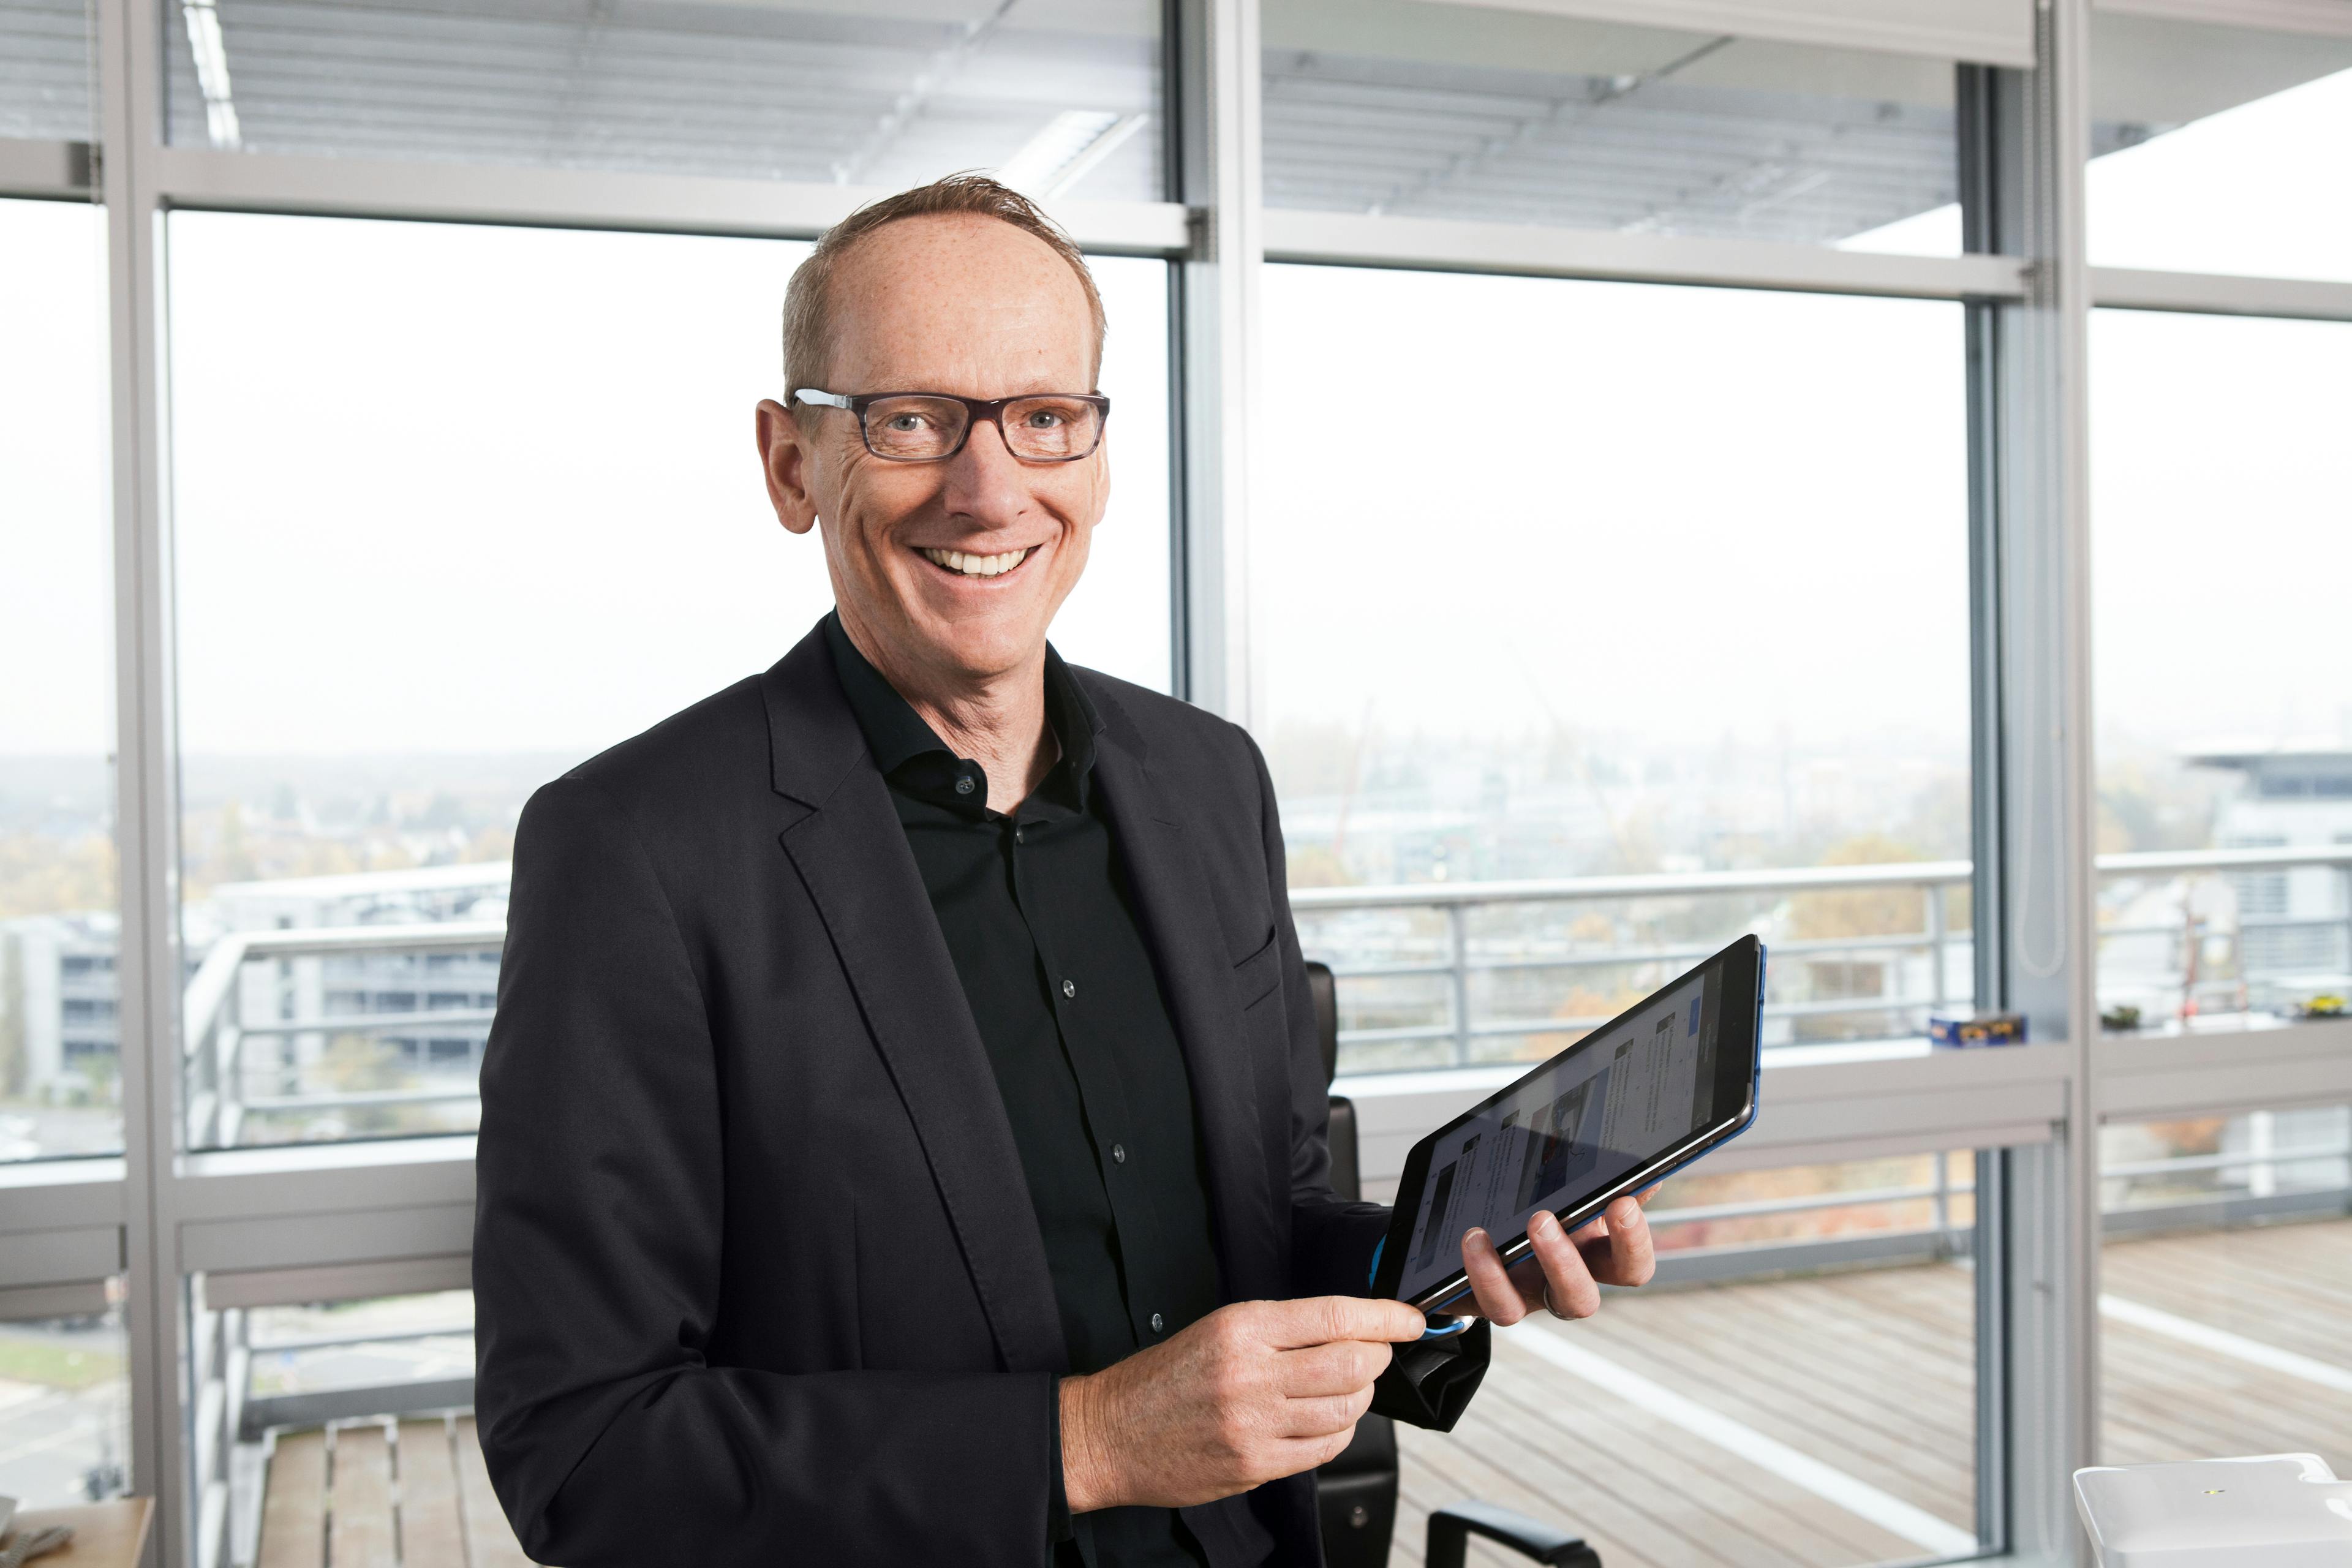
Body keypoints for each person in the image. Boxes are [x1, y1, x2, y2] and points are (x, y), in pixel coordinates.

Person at [472, 173, 1659, 1568]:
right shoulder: (635, 848)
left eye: (1043, 418)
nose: (991, 487)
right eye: (911, 419)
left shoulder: (1210, 782)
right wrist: (1087, 1440)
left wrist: (1447, 1268)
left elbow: (1257, 1219)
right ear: (794, 462)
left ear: (1095, 458)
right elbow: (589, 1450)